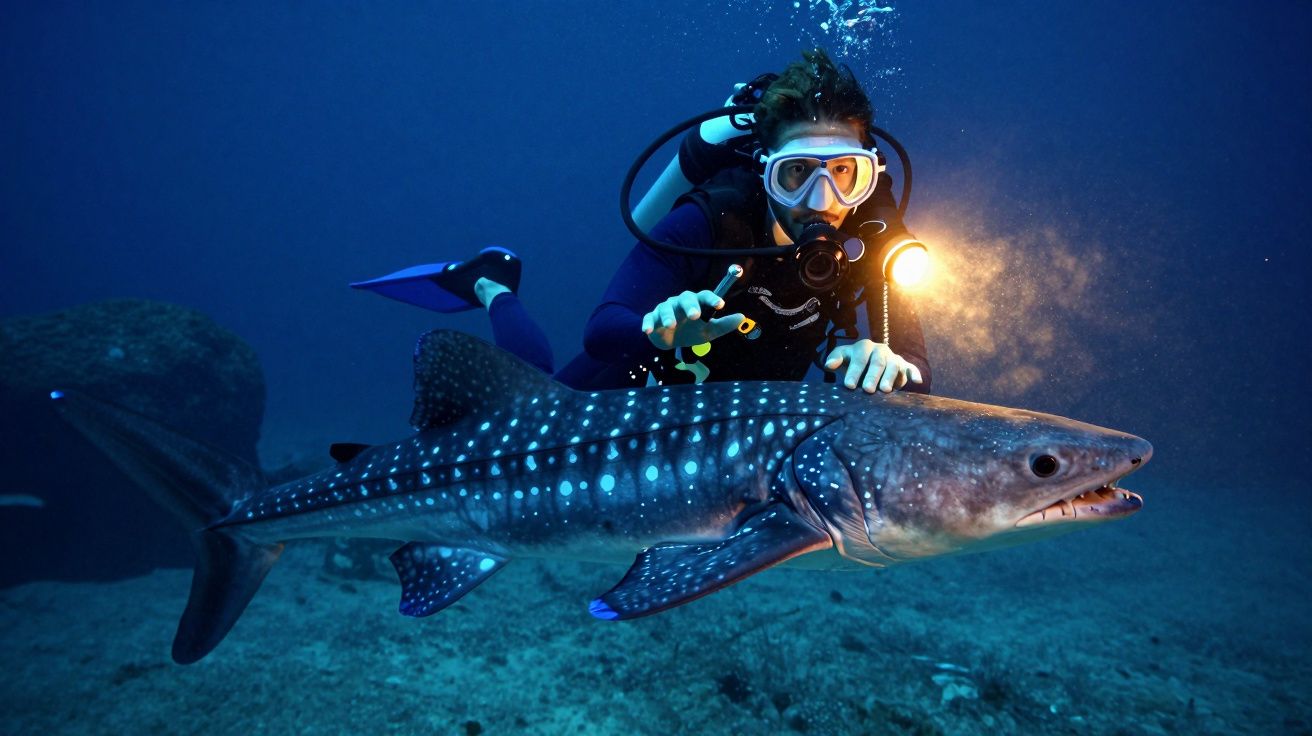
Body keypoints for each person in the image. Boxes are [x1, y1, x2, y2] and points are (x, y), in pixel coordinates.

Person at [354, 48, 931, 395]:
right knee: (530, 390)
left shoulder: (877, 248)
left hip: (710, 432)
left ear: (871, 174)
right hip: (637, 386)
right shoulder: (712, 219)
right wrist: (655, 331)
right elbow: (602, 329)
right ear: (762, 170)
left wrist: (890, 368)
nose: (822, 198)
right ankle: (491, 284)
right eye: (795, 172)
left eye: (845, 175)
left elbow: (919, 372)